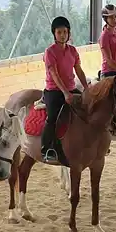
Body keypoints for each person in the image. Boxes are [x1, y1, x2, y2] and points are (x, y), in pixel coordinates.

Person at [41, 16, 90, 163]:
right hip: (54, 91)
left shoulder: (73, 51)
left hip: (71, 88)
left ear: (69, 33)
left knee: (87, 109)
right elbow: (54, 74)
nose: (62, 35)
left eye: (65, 32)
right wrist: (65, 93)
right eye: (59, 32)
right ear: (54, 34)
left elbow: (79, 71)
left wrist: (87, 89)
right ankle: (47, 148)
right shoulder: (50, 52)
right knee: (53, 118)